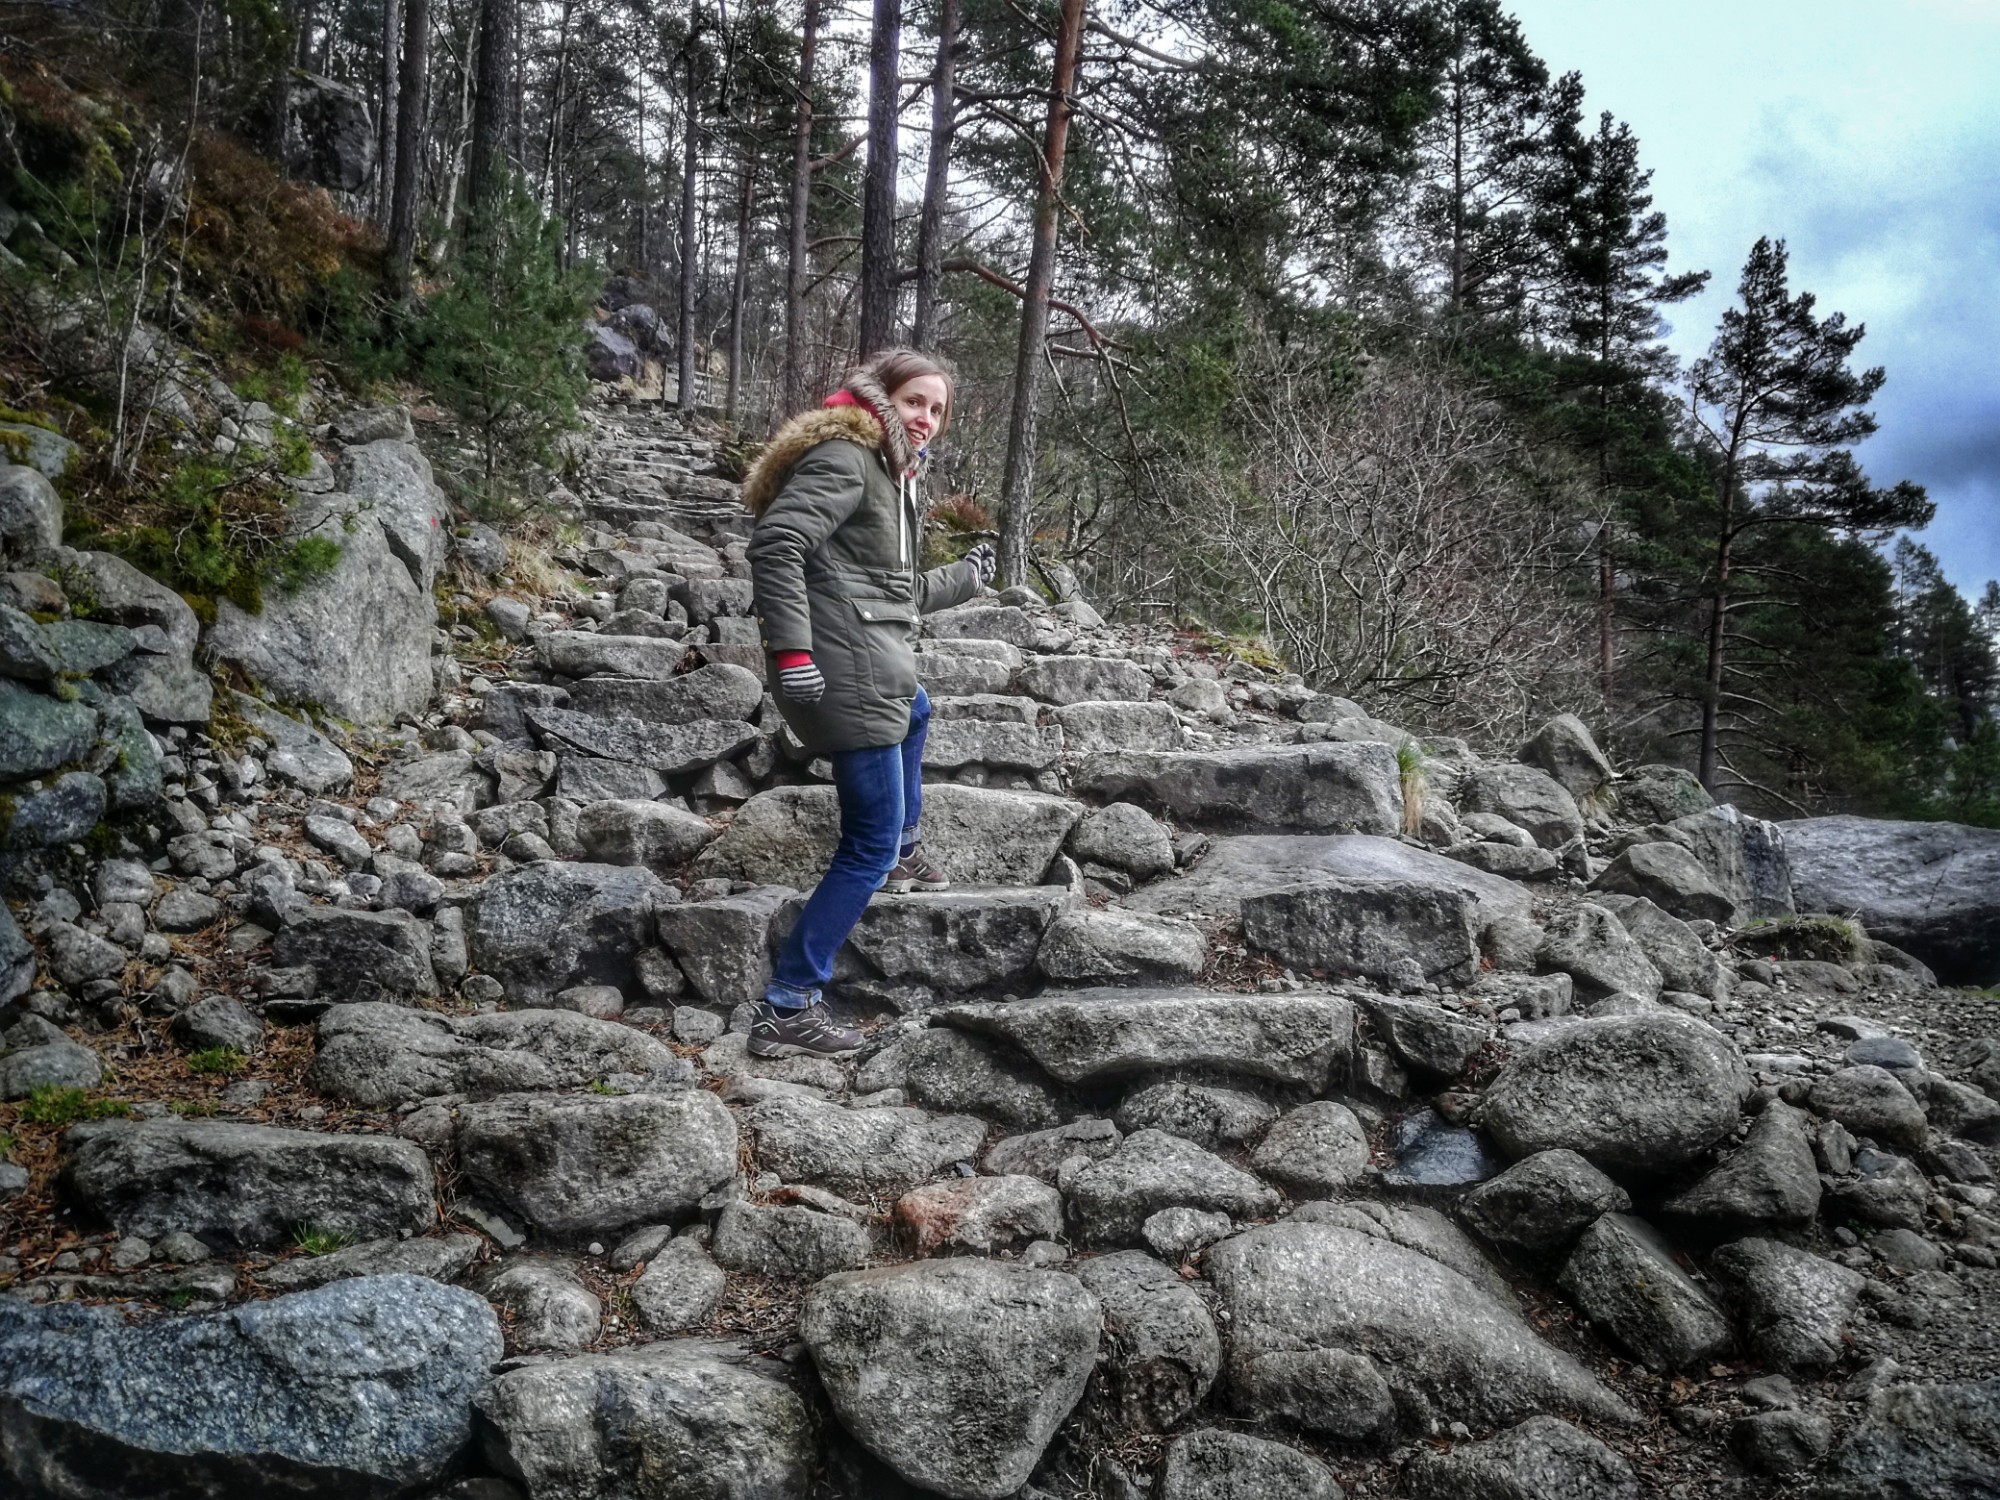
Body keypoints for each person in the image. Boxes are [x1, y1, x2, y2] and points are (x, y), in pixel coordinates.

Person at [742, 348, 997, 1057]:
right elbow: (777, 544)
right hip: (842, 667)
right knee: (867, 845)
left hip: (873, 662)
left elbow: (895, 592)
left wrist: (965, 578)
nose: (926, 418)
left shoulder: (889, 474)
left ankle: (905, 851)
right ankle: (789, 1003)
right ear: (880, 398)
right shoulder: (849, 459)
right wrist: (791, 652)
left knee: (919, 708)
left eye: (937, 410)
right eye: (915, 401)